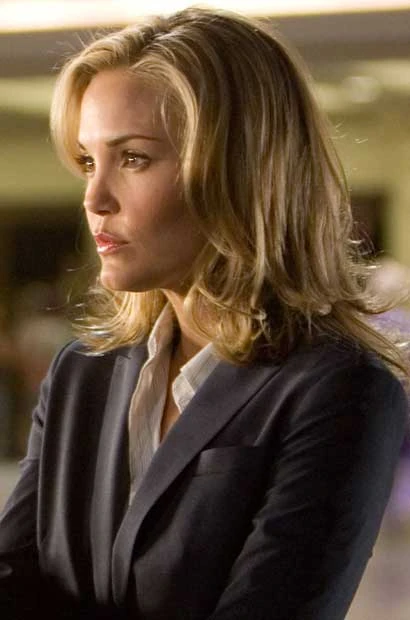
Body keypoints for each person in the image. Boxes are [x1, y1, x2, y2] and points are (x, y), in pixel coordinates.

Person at [0, 7, 408, 619]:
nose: (94, 198)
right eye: (88, 161)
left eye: (133, 158)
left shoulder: (338, 389)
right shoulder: (82, 374)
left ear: (240, 170)